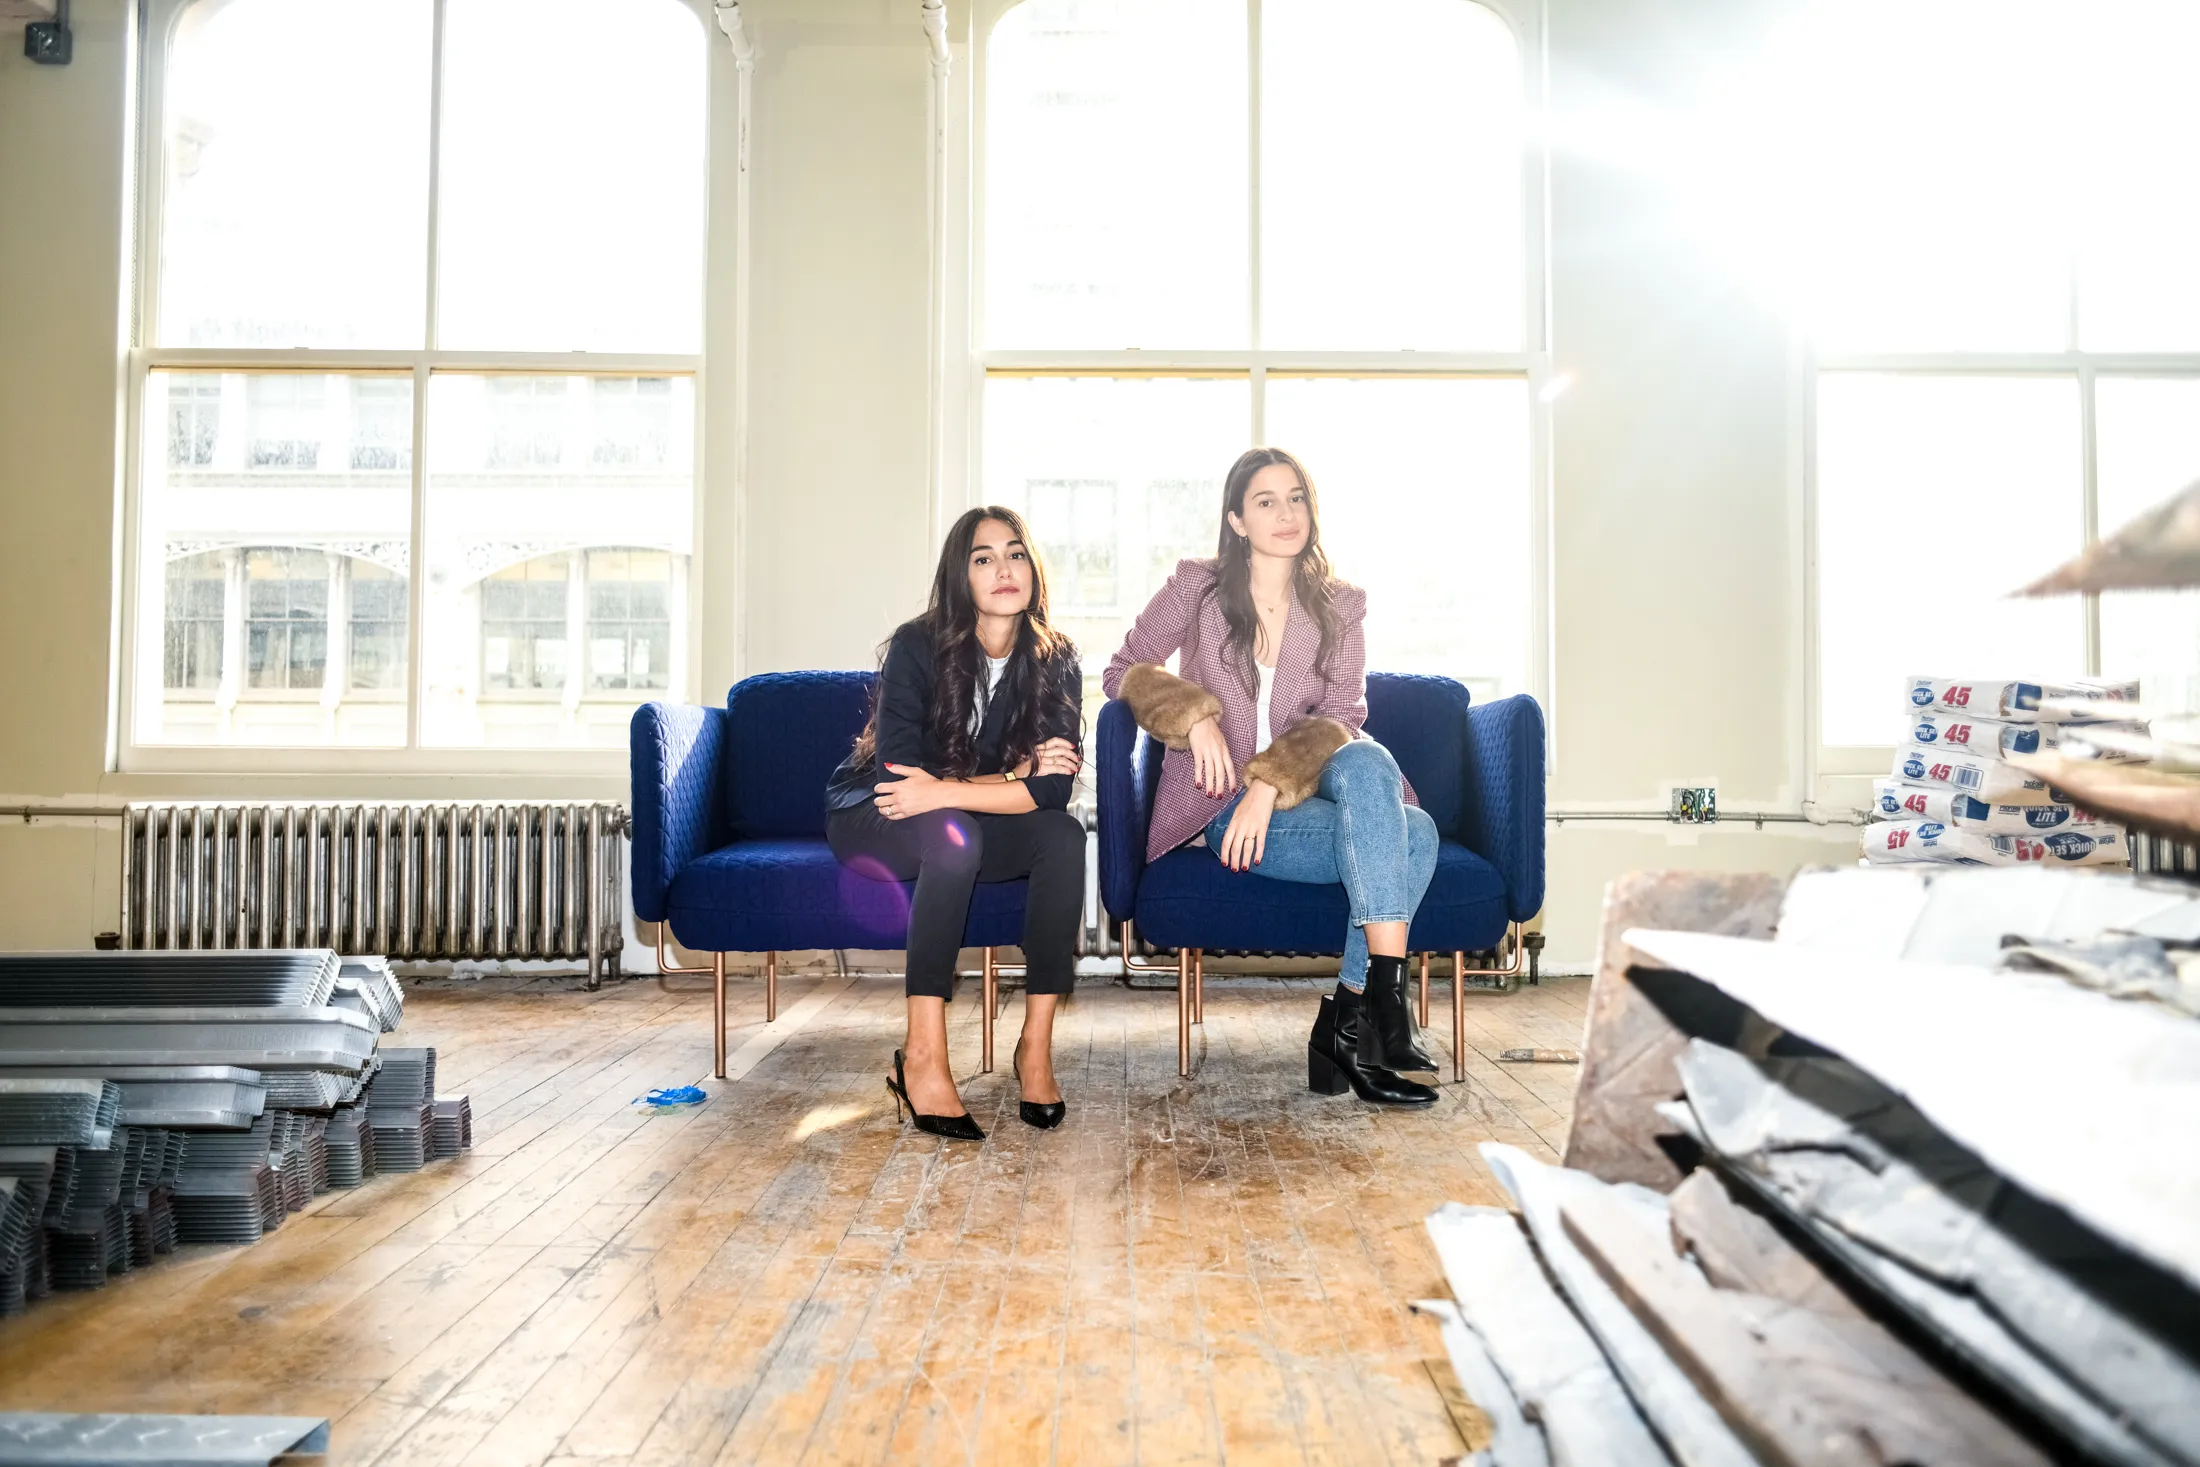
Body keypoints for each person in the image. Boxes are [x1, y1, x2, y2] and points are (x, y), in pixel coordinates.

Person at [1103, 448, 1440, 1106]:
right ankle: (1361, 1023)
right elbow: (1125, 670)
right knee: (1417, 835)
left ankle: (1368, 1014)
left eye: (1296, 498)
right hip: (1218, 802)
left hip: (1306, 784)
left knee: (1369, 758)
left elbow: (1342, 716)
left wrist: (1267, 784)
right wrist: (1194, 718)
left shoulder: (1340, 605)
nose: (1287, 513)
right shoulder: (1197, 588)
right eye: (1266, 501)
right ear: (1236, 519)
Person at [826, 506, 1086, 1140]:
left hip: (953, 811)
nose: (1004, 568)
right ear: (959, 575)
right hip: (875, 813)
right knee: (953, 835)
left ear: (1033, 569)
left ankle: (1035, 1047)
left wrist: (972, 787)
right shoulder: (918, 645)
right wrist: (1011, 778)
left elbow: (1051, 793)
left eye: (1016, 553)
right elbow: (902, 780)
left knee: (1063, 836)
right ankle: (922, 1056)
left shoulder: (1057, 659)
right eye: (983, 558)